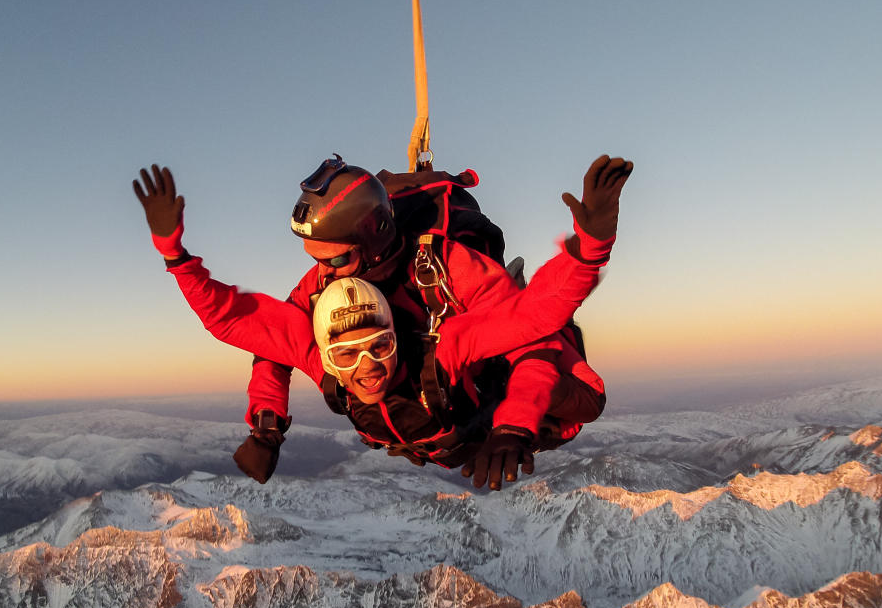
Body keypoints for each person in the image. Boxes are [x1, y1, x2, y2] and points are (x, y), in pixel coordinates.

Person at [132, 156, 631, 488]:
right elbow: (257, 331)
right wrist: (266, 426)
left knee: (585, 398)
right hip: (425, 435)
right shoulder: (324, 287)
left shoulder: (449, 277)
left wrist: (513, 426)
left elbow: (530, 326)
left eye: (336, 257)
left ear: (371, 239)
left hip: (485, 405)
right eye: (346, 353)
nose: (320, 271)